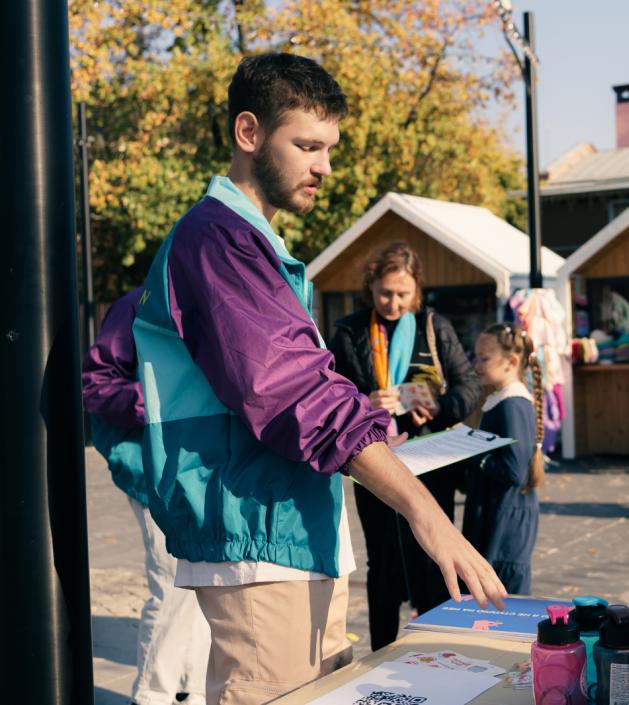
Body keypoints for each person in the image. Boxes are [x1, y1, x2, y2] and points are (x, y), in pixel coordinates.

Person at [132, 53, 505, 705]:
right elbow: (296, 391)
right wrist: (426, 513)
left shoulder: (255, 241)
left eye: (329, 147)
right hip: (256, 529)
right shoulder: (219, 239)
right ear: (249, 134)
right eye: (306, 144)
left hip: (293, 526)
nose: (324, 165)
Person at [328, 241, 482, 651]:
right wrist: (364, 402)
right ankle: (382, 654)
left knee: (435, 559)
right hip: (372, 461)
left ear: (417, 291)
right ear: (371, 287)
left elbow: (469, 388)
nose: (393, 303)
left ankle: (436, 650)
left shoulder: (435, 326)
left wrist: (432, 407)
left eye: (403, 294)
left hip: (431, 463)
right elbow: (329, 395)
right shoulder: (348, 331)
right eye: (384, 293)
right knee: (382, 565)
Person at [83, 288, 210, 705]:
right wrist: (160, 401)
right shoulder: (138, 303)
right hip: (150, 467)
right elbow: (95, 384)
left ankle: (190, 691)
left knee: (206, 582)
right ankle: (154, 695)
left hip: (200, 469)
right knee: (173, 582)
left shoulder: (213, 302)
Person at [461, 323, 544, 595]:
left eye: (484, 358)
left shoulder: (513, 404)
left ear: (511, 361)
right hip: (496, 515)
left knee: (504, 603)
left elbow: (514, 470)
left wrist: (472, 450)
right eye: (476, 356)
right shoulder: (502, 400)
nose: (476, 364)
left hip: (505, 525)